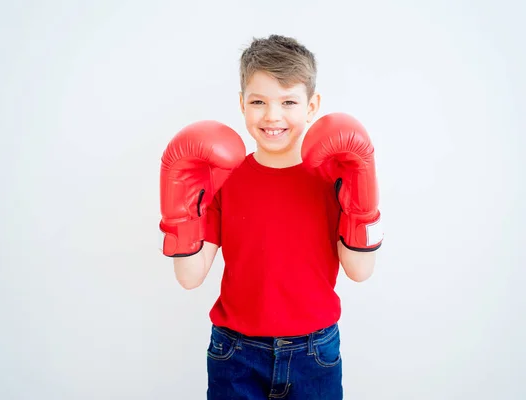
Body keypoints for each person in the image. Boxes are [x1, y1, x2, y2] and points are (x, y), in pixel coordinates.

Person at [159, 34, 383, 400]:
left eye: (289, 101)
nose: (272, 115)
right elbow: (189, 277)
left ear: (312, 107)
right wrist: (181, 209)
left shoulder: (335, 179)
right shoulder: (223, 179)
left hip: (314, 351)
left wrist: (361, 202)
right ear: (241, 104)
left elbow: (360, 271)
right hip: (235, 353)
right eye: (258, 101)